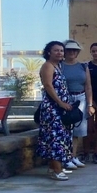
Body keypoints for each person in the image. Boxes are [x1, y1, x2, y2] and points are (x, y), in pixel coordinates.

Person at [36, 41, 74, 181]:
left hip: (60, 108)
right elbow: (48, 85)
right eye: (56, 50)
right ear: (48, 52)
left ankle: (54, 168)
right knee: (55, 138)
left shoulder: (57, 66)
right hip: (52, 108)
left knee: (61, 137)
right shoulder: (48, 66)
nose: (59, 53)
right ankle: (57, 170)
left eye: (61, 50)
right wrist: (60, 102)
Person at [61, 39, 94, 170]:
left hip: (81, 98)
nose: (72, 52)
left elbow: (88, 86)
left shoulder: (83, 66)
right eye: (69, 50)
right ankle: (65, 157)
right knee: (65, 130)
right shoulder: (59, 66)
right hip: (65, 98)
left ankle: (73, 156)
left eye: (74, 50)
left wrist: (90, 104)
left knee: (78, 130)